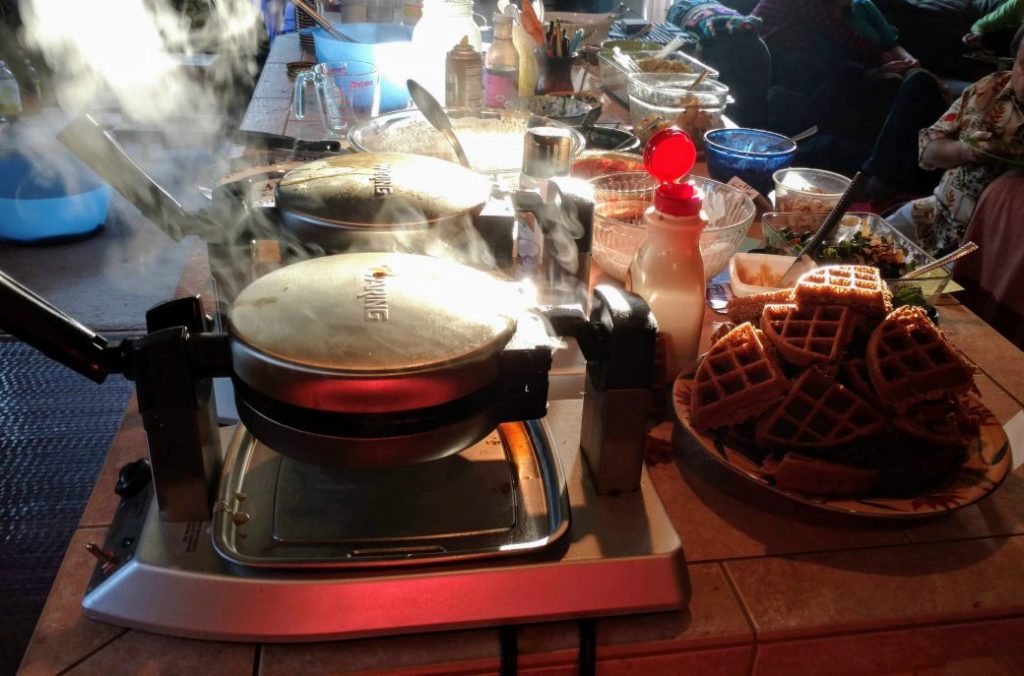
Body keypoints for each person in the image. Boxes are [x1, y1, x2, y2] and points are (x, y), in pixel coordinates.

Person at [885, 26, 1024, 256]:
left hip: (990, 250)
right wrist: (965, 151)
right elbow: (928, 148)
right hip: (934, 216)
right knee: (856, 246)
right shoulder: (991, 87)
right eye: (1023, 64)